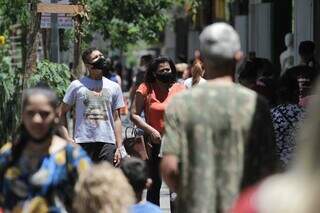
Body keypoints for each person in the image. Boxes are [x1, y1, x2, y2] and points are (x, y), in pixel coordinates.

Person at [160, 23, 278, 213]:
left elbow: (170, 169)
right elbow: (269, 169)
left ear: (199, 57)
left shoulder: (180, 104)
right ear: (238, 57)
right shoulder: (256, 104)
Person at [232, 78, 320, 213]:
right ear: (296, 93)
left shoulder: (269, 114)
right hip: (301, 169)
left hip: (277, 171)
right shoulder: (307, 115)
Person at [0, 86, 91, 212]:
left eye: (44, 114)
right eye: (30, 113)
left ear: (55, 115)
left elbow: (93, 202)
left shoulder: (73, 157)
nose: (37, 120)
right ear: (22, 115)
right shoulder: (7, 155)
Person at [130, 56, 185, 206]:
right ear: (154, 73)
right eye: (162, 70)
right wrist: (150, 130)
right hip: (154, 144)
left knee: (177, 187)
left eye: (168, 69)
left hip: (176, 143)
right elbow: (133, 114)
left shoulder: (180, 88)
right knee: (154, 186)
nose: (166, 72)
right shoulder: (146, 88)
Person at [60, 47, 124, 165]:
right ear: (88, 65)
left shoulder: (114, 87)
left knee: (105, 180)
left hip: (107, 143)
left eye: (101, 55)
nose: (101, 59)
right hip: (83, 142)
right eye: (96, 57)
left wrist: (119, 148)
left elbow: (116, 119)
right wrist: (67, 139)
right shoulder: (76, 86)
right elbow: (61, 112)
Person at [271, 76, 305, 169]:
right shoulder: (306, 114)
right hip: (302, 165)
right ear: (295, 92)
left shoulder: (271, 114)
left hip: (279, 167)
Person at [283, 41, 319, 105]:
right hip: (312, 108)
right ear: (313, 53)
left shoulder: (290, 72)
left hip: (294, 108)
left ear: (299, 53)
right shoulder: (316, 72)